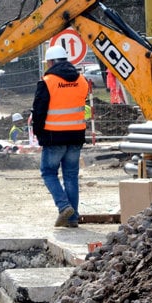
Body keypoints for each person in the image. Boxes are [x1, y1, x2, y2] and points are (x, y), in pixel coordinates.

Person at [31, 44, 91, 228]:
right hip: (76, 136)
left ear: (50, 62)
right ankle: (72, 219)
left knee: (48, 173)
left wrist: (39, 134)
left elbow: (39, 111)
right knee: (71, 176)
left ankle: (64, 206)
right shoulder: (81, 80)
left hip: (53, 136)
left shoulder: (47, 81)